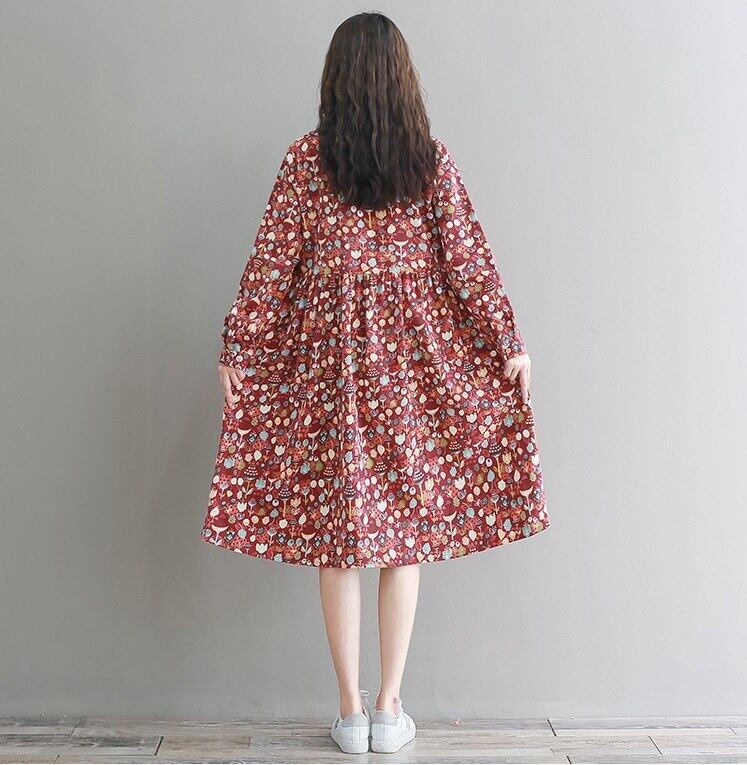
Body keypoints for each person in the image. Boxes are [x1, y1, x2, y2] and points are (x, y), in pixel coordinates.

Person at [201, 11, 549, 754]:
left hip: (330, 371)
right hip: (411, 371)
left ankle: (350, 710)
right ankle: (390, 708)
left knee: (339, 538)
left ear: (335, 81)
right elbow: (467, 265)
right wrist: (507, 345)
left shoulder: (306, 161)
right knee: (404, 535)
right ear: (403, 80)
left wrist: (238, 347)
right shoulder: (428, 161)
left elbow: (270, 268)